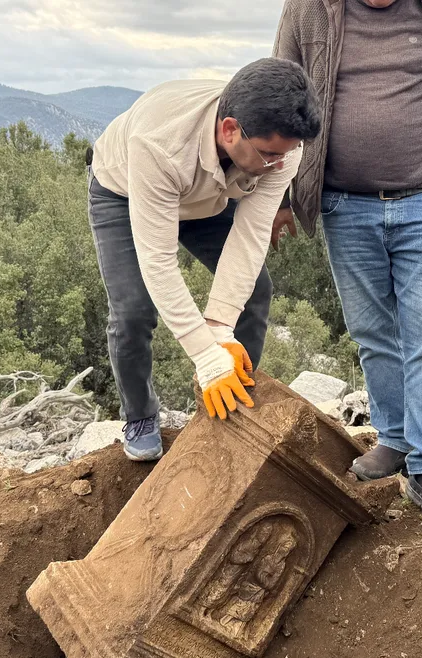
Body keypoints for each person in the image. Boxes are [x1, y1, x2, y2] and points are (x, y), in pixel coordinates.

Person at [273, 0, 422, 539]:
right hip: (341, 202)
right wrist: (281, 195)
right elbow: (283, 96)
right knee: (373, 330)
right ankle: (396, 437)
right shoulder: (308, 8)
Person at [87, 58, 322, 461]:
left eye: (286, 154)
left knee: (254, 291)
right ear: (230, 130)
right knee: (132, 312)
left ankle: (233, 403)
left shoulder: (283, 149)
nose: (277, 165)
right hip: (126, 192)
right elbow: (158, 262)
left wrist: (220, 332)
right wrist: (204, 355)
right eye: (268, 155)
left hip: (207, 198)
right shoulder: (158, 142)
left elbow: (249, 239)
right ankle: (140, 416)